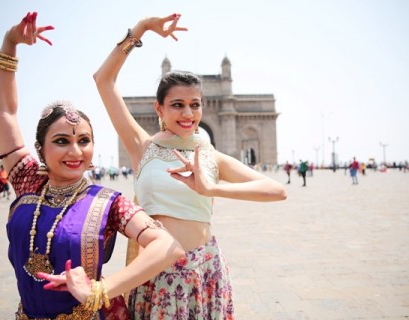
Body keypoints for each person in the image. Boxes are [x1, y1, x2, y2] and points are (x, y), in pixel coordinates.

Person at [0, 12, 184, 319]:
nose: (75, 151)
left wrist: (101, 291)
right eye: (62, 141)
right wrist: (10, 42)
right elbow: (3, 112)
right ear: (40, 148)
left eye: (84, 140)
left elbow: (167, 247)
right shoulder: (28, 180)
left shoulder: (109, 203)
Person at [93, 13, 287, 319]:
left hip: (204, 270)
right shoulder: (143, 148)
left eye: (195, 105)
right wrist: (140, 29)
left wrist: (212, 188)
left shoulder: (210, 157)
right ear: (159, 108)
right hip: (155, 273)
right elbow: (103, 81)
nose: (188, 113)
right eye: (177, 105)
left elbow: (276, 190)